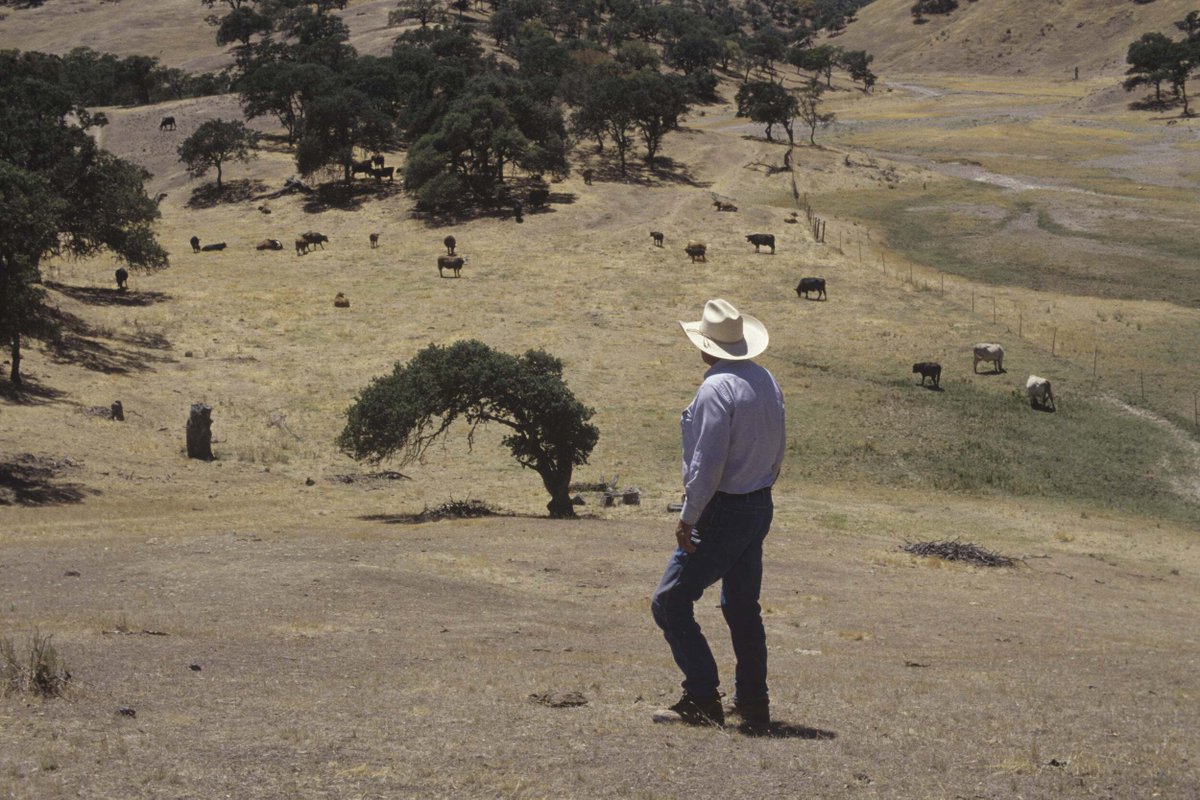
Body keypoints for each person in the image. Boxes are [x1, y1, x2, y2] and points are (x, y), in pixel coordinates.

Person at [650, 298, 786, 730]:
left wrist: (689, 516)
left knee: (670, 601)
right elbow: (778, 446)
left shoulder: (715, 388)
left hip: (723, 508)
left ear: (705, 345)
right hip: (758, 502)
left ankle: (702, 697)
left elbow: (707, 463)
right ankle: (752, 702)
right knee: (742, 607)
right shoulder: (765, 379)